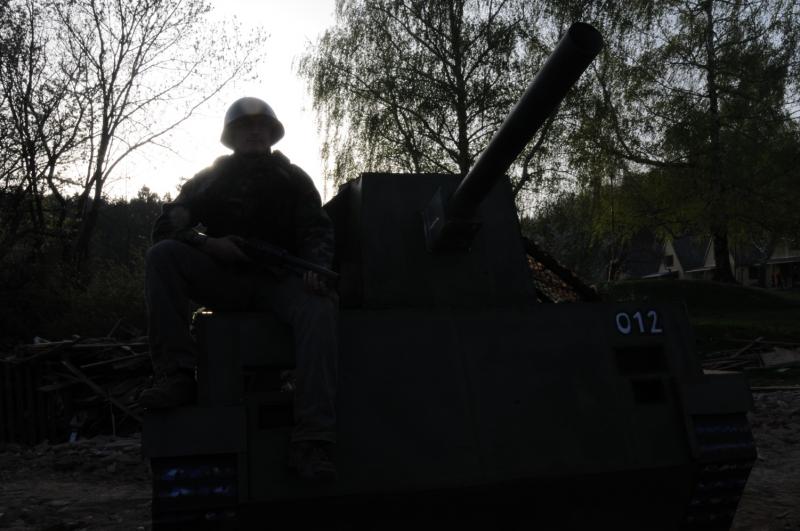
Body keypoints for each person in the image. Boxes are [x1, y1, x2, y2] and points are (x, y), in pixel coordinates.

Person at [139, 97, 338, 481]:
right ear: (231, 136)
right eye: (245, 126)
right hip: (224, 279)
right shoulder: (210, 179)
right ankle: (177, 376)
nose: (254, 132)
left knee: (321, 306)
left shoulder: (294, 179)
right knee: (162, 256)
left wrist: (317, 270)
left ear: (272, 134)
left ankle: (314, 439)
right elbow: (165, 228)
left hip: (280, 282)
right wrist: (208, 245)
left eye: (261, 126)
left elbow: (317, 231)